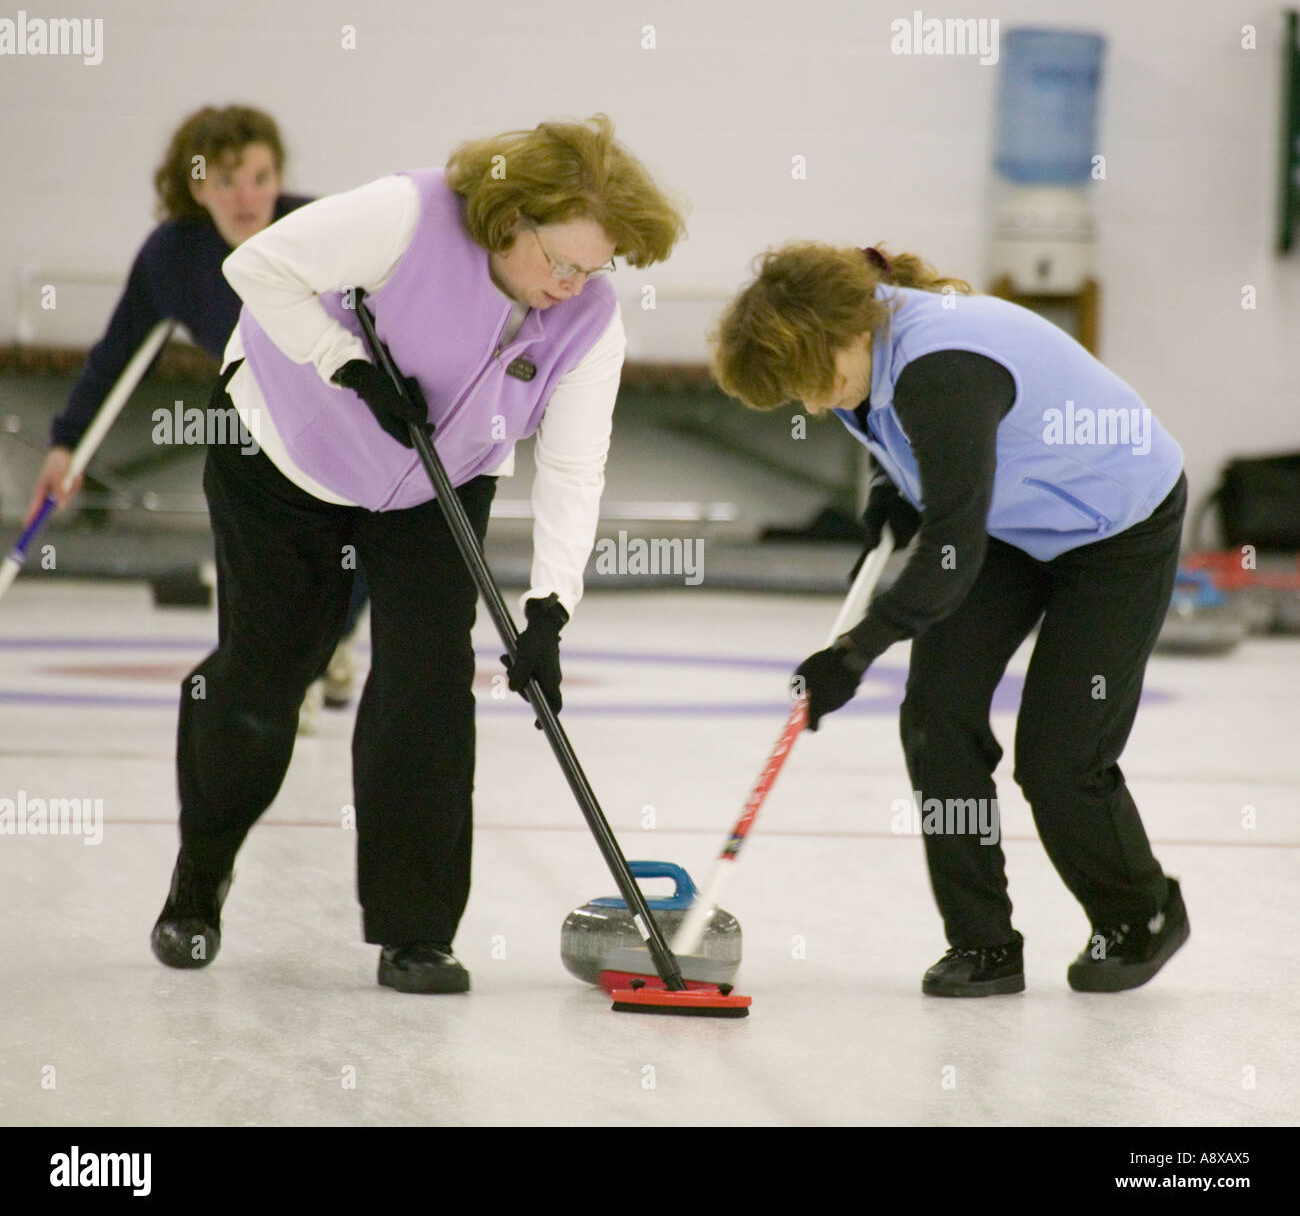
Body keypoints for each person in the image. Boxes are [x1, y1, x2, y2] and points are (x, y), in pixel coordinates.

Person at [150, 113, 685, 994]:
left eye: (594, 269)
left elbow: (575, 467)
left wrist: (551, 609)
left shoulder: (589, 320)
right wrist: (346, 362)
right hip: (285, 451)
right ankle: (200, 879)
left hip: (438, 480)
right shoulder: (410, 213)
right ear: (511, 217)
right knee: (268, 668)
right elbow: (256, 267)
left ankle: (417, 932)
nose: (573, 284)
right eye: (562, 262)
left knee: (430, 681)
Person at [710, 241, 1189, 997]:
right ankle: (983, 943)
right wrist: (885, 495)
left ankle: (1141, 912)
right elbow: (897, 441)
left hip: (1115, 528)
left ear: (845, 331)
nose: (813, 404)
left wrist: (855, 650)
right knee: (937, 717)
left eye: (812, 382)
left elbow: (949, 553)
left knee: (1059, 757)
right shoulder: (857, 352)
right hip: (1009, 522)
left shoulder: (945, 367)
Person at [21, 104, 362, 732]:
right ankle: (293, 672)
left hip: (342, 413)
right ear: (197, 184)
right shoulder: (174, 255)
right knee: (262, 554)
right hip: (256, 421)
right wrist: (67, 445)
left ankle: (327, 648)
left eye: (262, 177)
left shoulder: (312, 230)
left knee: (351, 545)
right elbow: (119, 353)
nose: (247, 197)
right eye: (227, 180)